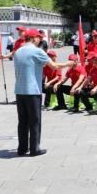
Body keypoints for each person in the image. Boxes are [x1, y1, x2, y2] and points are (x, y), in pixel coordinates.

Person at [13, 28, 74, 156]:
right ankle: (35, 148)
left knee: (22, 121)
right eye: (39, 38)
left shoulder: (18, 51)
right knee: (35, 120)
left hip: (19, 91)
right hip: (32, 91)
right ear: (34, 38)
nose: (40, 40)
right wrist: (68, 63)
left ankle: (22, 148)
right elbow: (55, 66)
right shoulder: (37, 51)